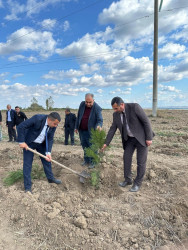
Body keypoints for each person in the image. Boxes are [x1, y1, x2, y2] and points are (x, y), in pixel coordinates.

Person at [102, 97, 154, 192]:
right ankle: (128, 179)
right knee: (126, 158)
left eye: (116, 108)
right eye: (114, 109)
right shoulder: (116, 115)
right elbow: (112, 129)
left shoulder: (134, 107)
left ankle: (137, 183)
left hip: (141, 138)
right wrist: (106, 143)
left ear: (122, 104)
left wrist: (149, 138)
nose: (115, 110)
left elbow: (146, 121)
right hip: (129, 139)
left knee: (141, 162)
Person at [17, 112, 62, 193]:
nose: (56, 126)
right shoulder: (37, 118)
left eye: (57, 124)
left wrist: (48, 152)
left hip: (41, 144)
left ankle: (51, 179)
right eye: (55, 124)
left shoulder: (54, 125)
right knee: (27, 164)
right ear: (49, 120)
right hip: (29, 143)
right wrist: (21, 141)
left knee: (47, 161)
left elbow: (50, 138)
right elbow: (21, 127)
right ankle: (27, 187)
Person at [75, 93, 103, 169]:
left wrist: (99, 126)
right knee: (84, 146)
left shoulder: (97, 108)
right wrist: (76, 127)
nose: (88, 104)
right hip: (82, 131)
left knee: (93, 147)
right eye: (86, 102)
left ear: (93, 100)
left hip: (91, 132)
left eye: (90, 102)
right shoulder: (82, 104)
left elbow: (100, 120)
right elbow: (79, 116)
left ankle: (93, 162)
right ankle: (86, 160)